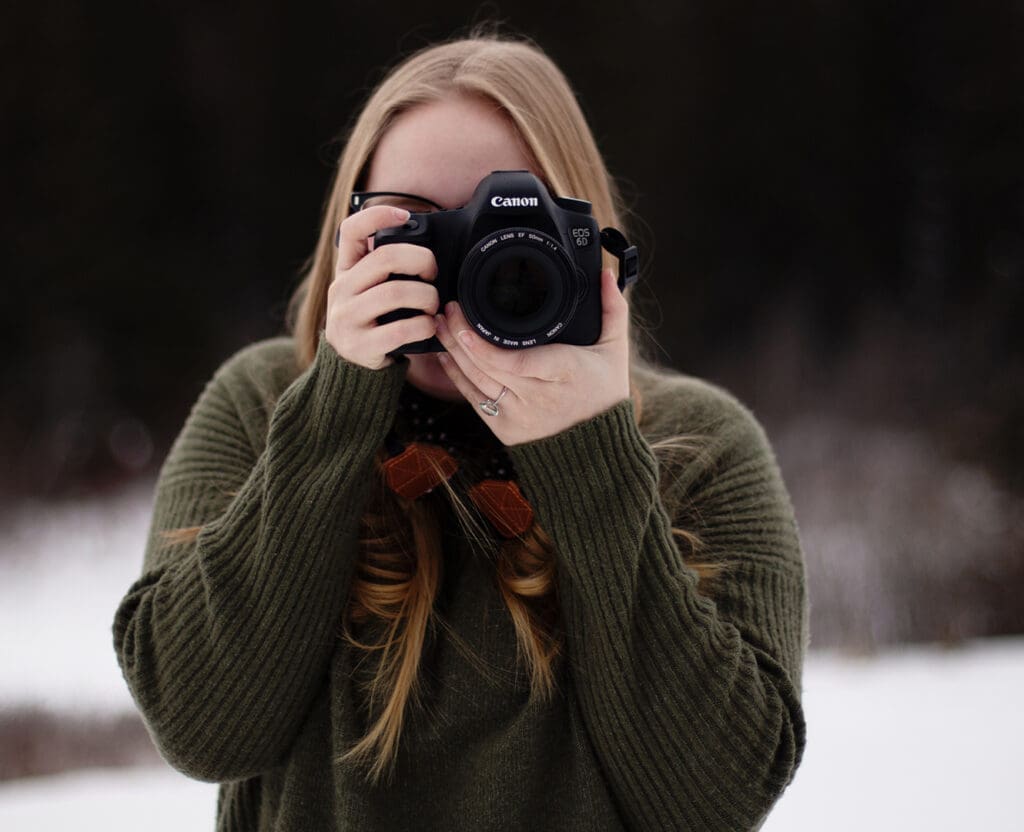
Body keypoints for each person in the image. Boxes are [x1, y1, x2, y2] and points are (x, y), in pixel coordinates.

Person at [113, 30, 808, 832]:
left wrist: (590, 457)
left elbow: (715, 801)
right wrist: (334, 409)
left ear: (585, 244)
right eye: (413, 231)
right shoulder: (263, 404)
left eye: (498, 231)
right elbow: (203, 728)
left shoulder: (702, 446)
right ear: (347, 240)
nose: (455, 276)